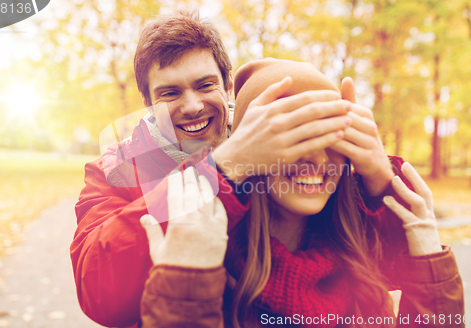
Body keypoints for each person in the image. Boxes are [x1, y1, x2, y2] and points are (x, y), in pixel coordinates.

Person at [71, 12, 408, 328]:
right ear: (148, 102)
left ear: (227, 87)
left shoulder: (275, 144)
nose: (192, 106)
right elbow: (100, 292)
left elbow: (379, 260)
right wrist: (223, 168)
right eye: (170, 93)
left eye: (205, 86)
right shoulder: (114, 171)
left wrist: (381, 179)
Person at [139, 59, 464, 328]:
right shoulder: (206, 264)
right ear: (250, 149)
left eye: (331, 138)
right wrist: (183, 293)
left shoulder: (362, 271)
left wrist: (430, 272)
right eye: (295, 139)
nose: (317, 160)